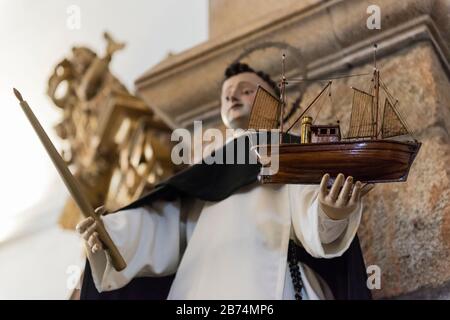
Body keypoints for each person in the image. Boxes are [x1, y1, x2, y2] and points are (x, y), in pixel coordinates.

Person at [77, 62, 374, 300]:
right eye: (227, 94)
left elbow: (311, 217)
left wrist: (330, 213)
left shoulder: (290, 151)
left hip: (275, 280)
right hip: (200, 287)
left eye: (245, 90)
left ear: (275, 105)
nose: (233, 96)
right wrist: (111, 233)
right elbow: (166, 228)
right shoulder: (205, 171)